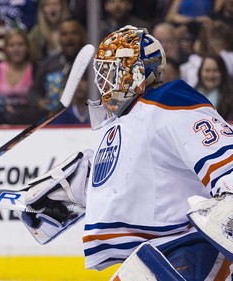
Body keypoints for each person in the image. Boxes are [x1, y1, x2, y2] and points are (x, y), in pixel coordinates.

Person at [19, 25, 233, 280]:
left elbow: (223, 160)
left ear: (139, 73)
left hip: (188, 248)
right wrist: (66, 198)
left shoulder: (171, 102)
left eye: (114, 71)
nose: (104, 81)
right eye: (103, 72)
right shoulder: (120, 122)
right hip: (151, 254)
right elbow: (132, 182)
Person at [27, 18, 86, 117]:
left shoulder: (90, 63)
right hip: (53, 118)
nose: (69, 38)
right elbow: (33, 93)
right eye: (64, 34)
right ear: (59, 38)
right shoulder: (49, 63)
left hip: (83, 118)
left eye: (74, 33)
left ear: (82, 36)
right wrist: (39, 102)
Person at [0, 28, 37, 125]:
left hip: (28, 122)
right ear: (5, 49)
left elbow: (38, 99)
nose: (16, 49)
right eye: (11, 45)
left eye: (20, 44)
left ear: (27, 47)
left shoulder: (36, 70)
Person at [194, 54, 233, 120]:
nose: (211, 75)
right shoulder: (191, 94)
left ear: (222, 72)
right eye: (207, 70)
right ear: (200, 72)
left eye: (216, 70)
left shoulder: (230, 98)